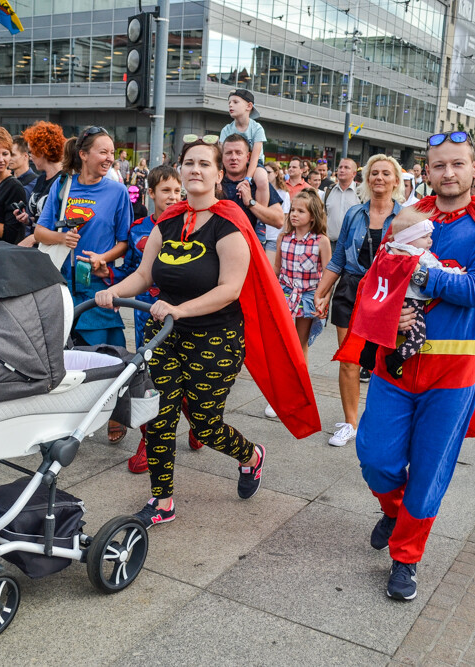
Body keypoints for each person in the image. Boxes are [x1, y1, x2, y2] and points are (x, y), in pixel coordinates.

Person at [94, 137, 319, 527]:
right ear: (180, 170)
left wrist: (180, 309)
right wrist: (113, 290)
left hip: (214, 339)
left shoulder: (230, 223)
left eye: (204, 164)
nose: (195, 169)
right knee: (159, 416)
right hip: (163, 333)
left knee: (205, 425)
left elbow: (230, 289)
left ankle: (251, 456)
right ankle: (161, 502)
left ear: (219, 174)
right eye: (189, 163)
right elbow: (146, 274)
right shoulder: (168, 220)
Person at [334, 130, 475, 602]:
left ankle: (406, 558)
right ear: (427, 170)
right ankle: (393, 511)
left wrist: (418, 272)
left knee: (431, 470)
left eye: (458, 164)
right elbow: (378, 278)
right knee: (375, 458)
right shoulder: (410, 218)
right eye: (439, 165)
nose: (449, 173)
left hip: (453, 374)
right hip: (397, 364)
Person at [314, 154, 403, 446]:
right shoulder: (354, 213)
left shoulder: (404, 216)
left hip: (386, 292)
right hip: (351, 288)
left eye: (385, 173)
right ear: (367, 179)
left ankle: (378, 421)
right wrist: (322, 291)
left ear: (396, 181)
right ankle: (351, 422)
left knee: (382, 362)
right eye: (374, 173)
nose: (379, 178)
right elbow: (338, 258)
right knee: (350, 360)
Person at [109, 165, 189, 474]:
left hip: (181, 317)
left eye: (176, 191)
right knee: (150, 380)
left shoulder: (191, 225)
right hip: (144, 316)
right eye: (165, 190)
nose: (172, 197)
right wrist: (111, 281)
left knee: (184, 378)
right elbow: (132, 271)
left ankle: (196, 421)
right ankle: (148, 441)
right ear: (151, 193)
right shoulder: (139, 227)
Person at [35, 126, 130, 347]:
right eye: (103, 152)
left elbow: (124, 242)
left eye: (112, 153)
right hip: (60, 287)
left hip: (97, 289)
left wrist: (103, 258)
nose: (109, 159)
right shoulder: (62, 186)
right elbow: (40, 232)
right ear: (83, 155)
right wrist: (62, 239)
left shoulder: (118, 192)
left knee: (102, 358)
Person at [360, 217, 464, 379]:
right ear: (409, 238)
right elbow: (438, 271)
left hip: (389, 296)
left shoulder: (388, 248)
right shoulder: (420, 254)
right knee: (418, 338)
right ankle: (395, 360)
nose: (430, 241)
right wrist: (458, 274)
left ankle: (369, 349)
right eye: (425, 237)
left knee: (382, 325)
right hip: (411, 301)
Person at [274, 189, 331, 360]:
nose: (294, 214)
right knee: (280, 341)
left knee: (300, 344)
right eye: (292, 210)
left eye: (301, 211)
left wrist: (325, 299)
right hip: (285, 292)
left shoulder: (321, 241)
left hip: (308, 296)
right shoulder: (283, 238)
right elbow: (276, 269)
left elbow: (329, 275)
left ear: (312, 216)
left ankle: (300, 383)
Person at [219, 134, 284, 245]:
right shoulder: (215, 182)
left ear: (248, 157)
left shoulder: (257, 182)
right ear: (222, 157)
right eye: (228, 153)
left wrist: (250, 202)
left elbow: (278, 220)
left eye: (239, 153)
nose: (233, 157)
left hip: (250, 250)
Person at [219, 89, 271, 209]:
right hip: (232, 164)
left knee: (262, 179)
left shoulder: (257, 128)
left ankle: (261, 217)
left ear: (249, 106)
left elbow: (255, 156)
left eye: (235, 102)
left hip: (254, 163)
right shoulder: (226, 129)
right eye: (229, 103)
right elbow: (221, 155)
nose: (231, 105)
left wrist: (248, 178)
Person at [17, 121, 65, 241]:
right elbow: (40, 219)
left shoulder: (65, 181)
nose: (31, 156)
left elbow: (60, 223)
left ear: (42, 151)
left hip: (50, 246)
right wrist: (28, 220)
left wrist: (34, 238)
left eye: (31, 152)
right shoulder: (41, 179)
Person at [322, 158, 361, 244]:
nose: (342, 170)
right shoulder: (329, 191)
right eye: (340, 167)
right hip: (330, 244)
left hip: (352, 246)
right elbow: (324, 216)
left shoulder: (361, 193)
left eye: (346, 167)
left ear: (354, 174)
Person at [263, 162, 290, 263]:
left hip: (274, 236)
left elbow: (286, 216)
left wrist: (284, 235)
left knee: (270, 268)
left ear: (276, 173)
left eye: (268, 172)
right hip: (260, 234)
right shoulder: (260, 190)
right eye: (264, 172)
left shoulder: (284, 194)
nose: (266, 175)